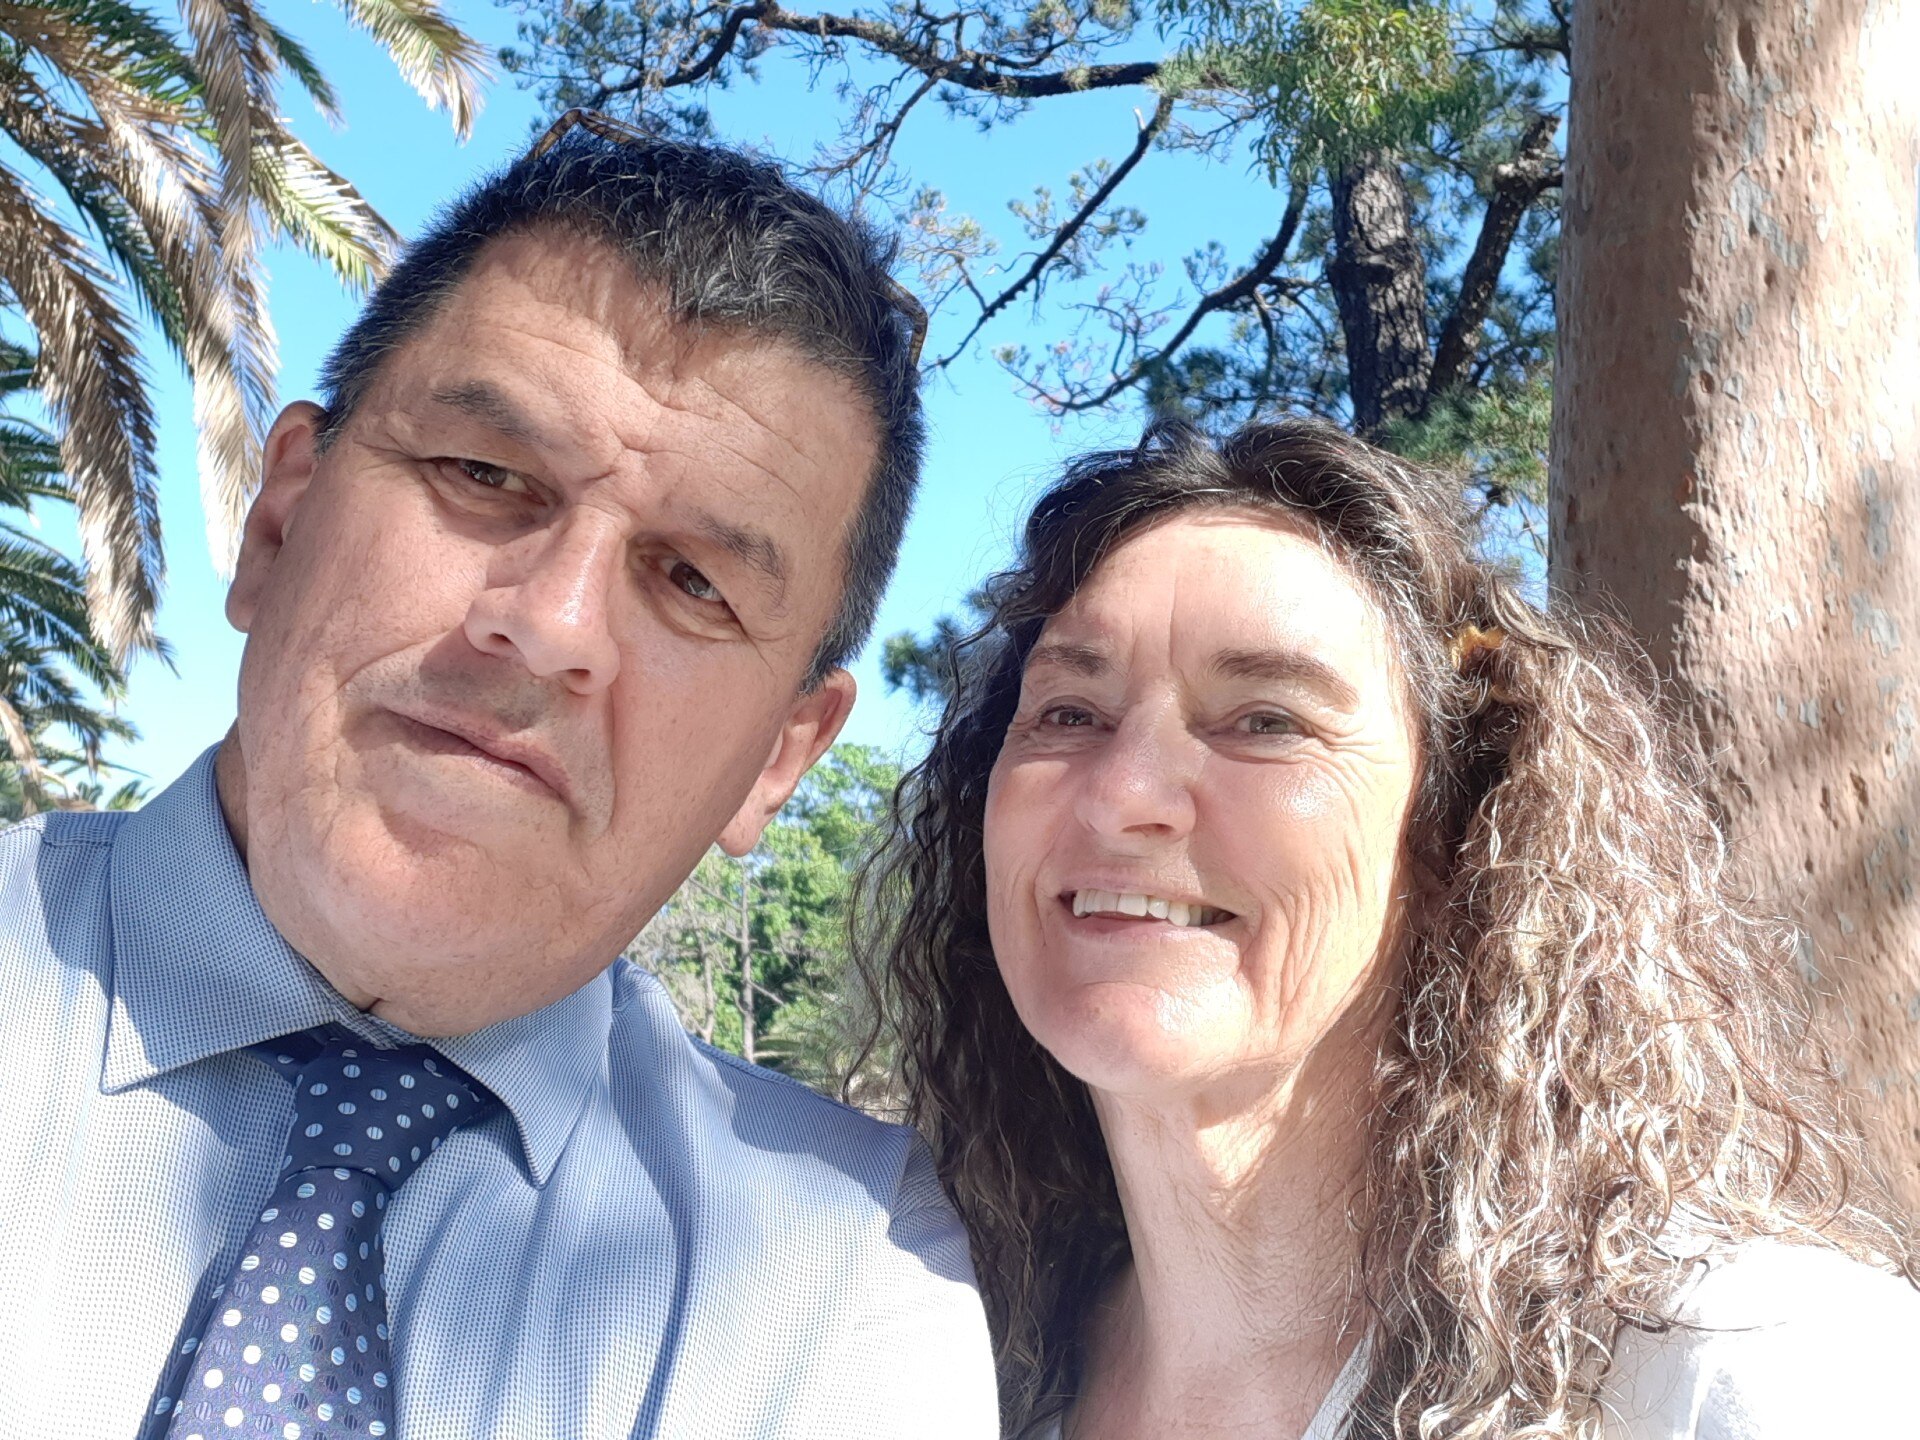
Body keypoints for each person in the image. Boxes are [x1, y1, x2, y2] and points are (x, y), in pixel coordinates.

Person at [0, 113, 996, 1439]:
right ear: (279, 523)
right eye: (484, 474)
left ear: (779, 758)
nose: (552, 624)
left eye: (694, 582)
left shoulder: (854, 1281)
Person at [854, 417, 1920, 1439]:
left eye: (1266, 720)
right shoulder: (913, 1365)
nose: (1123, 791)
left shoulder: (1743, 1372)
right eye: (1069, 714)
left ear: (1455, 834)